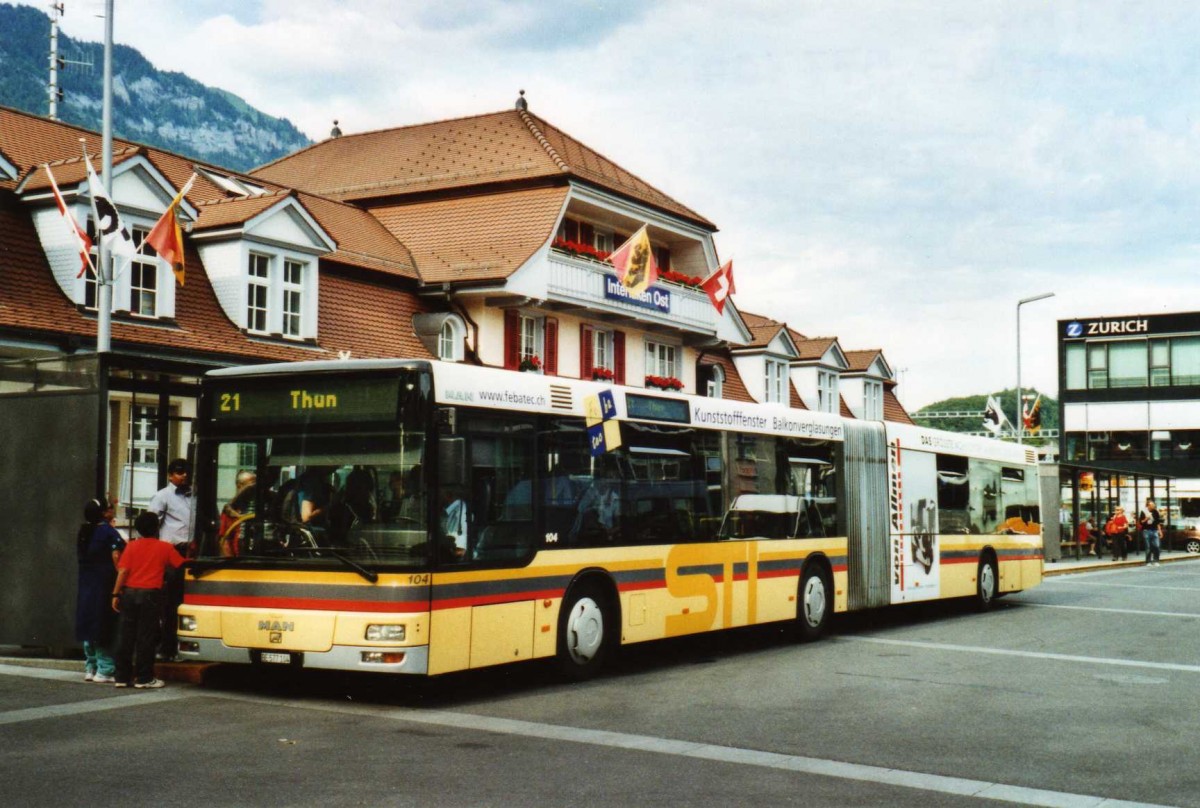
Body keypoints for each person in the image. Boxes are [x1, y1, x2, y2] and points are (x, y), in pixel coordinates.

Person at [111, 511, 186, 689]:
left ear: (138, 529)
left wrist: (115, 594)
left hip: (129, 594)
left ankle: (121, 677)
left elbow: (122, 572)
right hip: (151, 595)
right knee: (146, 637)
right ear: (156, 528)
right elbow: (181, 565)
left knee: (126, 636)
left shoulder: (131, 546)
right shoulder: (165, 547)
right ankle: (144, 678)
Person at [75, 497, 125, 684]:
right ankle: (105, 669)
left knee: (89, 623)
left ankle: (91, 666)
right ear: (104, 513)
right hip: (104, 584)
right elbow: (116, 556)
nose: (112, 511)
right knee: (104, 625)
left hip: (86, 584)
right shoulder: (108, 532)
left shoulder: (83, 531)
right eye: (109, 509)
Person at [147, 458, 193, 660]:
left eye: (185, 472)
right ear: (169, 475)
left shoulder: (194, 496)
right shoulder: (162, 496)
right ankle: (167, 647)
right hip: (172, 551)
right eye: (178, 472)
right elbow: (150, 524)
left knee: (186, 600)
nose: (183, 475)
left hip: (191, 552)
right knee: (170, 602)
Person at [219, 468, 256, 556]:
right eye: (250, 487)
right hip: (238, 560)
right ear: (239, 486)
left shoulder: (258, 506)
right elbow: (225, 541)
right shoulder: (231, 509)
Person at [1139, 499, 1164, 566]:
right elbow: (1141, 522)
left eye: (1154, 505)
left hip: (1154, 530)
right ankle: (1148, 561)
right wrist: (1146, 518)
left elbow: (1158, 523)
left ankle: (1156, 560)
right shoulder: (1143, 512)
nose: (1154, 506)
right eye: (1152, 505)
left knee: (1157, 545)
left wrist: (1160, 531)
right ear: (1148, 505)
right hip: (1146, 530)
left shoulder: (1155, 512)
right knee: (1148, 546)